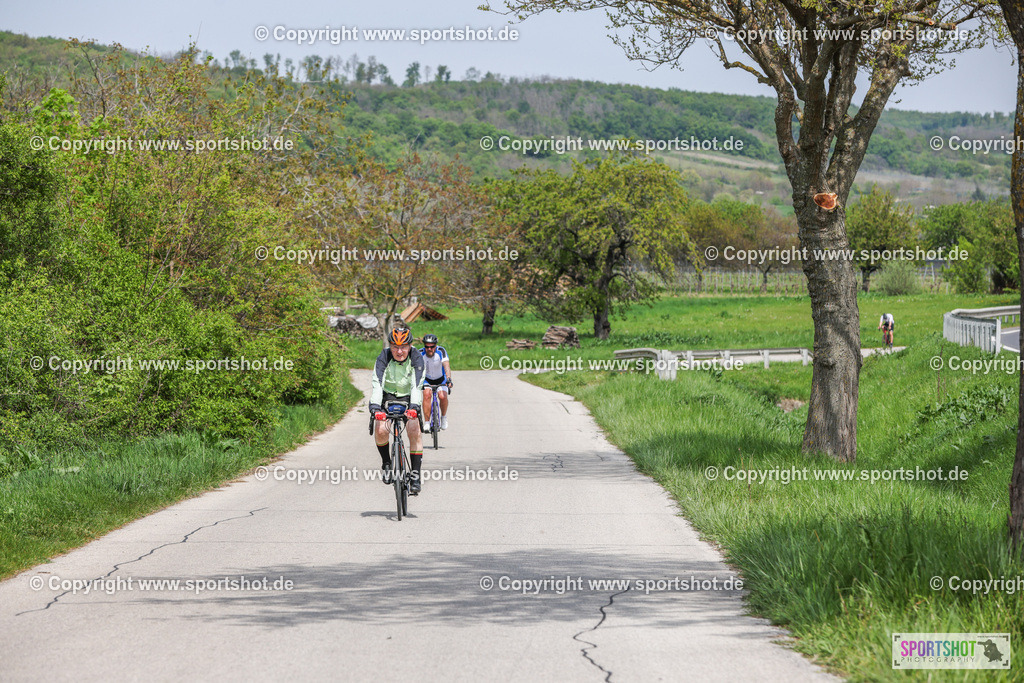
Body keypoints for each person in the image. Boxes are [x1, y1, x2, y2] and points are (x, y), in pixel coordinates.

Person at [369, 326, 426, 494]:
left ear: (410, 346)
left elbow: (417, 386)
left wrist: (415, 407)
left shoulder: (417, 358)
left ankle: (415, 476)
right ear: (390, 346)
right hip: (387, 396)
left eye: (403, 347)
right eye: (395, 347)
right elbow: (377, 383)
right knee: (380, 429)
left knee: (414, 429)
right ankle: (386, 463)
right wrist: (375, 407)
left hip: (409, 397)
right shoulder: (383, 357)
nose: (399, 351)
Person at [419, 334, 453, 431]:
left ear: (436, 346)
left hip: (441, 378)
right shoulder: (420, 353)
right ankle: (426, 422)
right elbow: (415, 368)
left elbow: (446, 365)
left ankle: (443, 417)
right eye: (427, 346)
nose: (429, 349)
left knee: (442, 396)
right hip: (427, 379)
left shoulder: (441, 351)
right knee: (426, 395)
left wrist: (449, 378)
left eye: (432, 346)